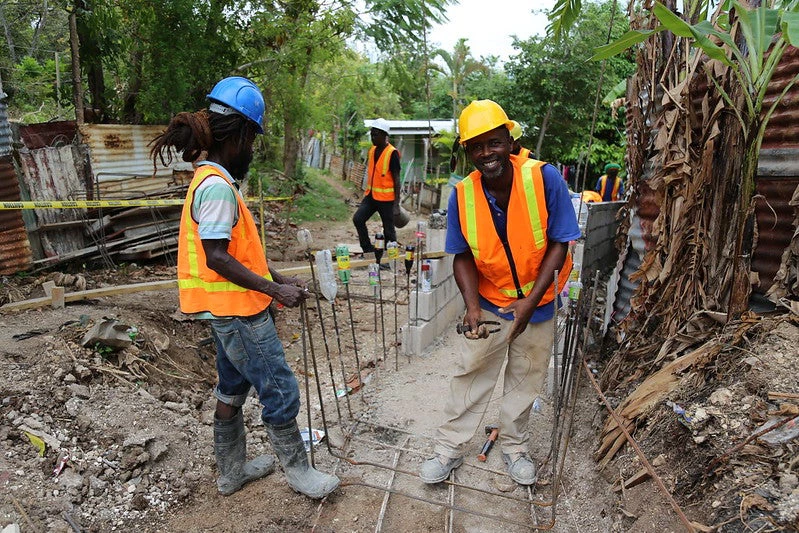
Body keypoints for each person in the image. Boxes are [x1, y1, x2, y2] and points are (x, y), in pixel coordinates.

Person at [149, 76, 339, 500]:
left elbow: (238, 253)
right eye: (252, 139)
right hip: (241, 314)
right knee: (280, 388)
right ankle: (300, 473)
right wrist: (274, 293)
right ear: (236, 135)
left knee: (232, 388)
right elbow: (216, 256)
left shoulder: (212, 181)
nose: (252, 150)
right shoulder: (217, 187)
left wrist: (276, 278)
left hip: (226, 312)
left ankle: (231, 473)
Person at [419, 100, 580, 486]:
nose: (485, 154)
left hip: (537, 301)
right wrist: (472, 307)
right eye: (475, 147)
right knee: (471, 374)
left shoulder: (544, 178)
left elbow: (560, 243)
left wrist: (529, 302)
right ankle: (450, 449)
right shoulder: (463, 194)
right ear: (466, 151)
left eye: (492, 143)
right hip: (491, 301)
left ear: (509, 140)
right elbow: (461, 256)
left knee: (526, 377)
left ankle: (514, 447)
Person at [352, 118, 402, 255]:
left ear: (384, 135)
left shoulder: (392, 153)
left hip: (386, 199)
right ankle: (368, 250)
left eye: (375, 135)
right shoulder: (372, 150)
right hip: (371, 196)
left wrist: (396, 204)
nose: (372, 138)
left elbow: (397, 180)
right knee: (358, 219)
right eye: (371, 134)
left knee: (389, 230)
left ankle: (391, 257)